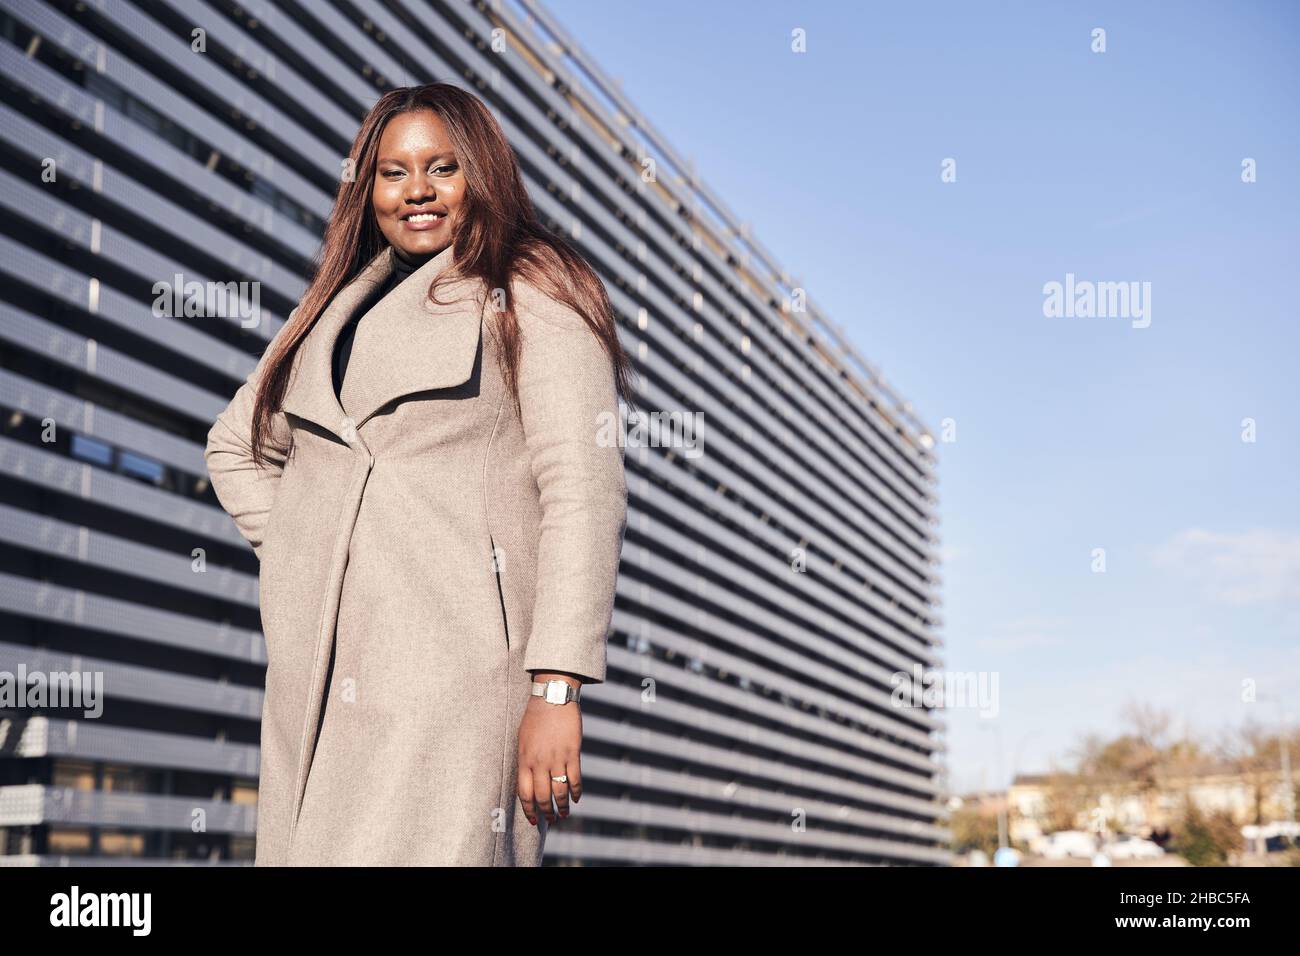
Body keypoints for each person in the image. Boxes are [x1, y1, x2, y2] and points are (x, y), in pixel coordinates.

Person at [204, 82, 636, 865]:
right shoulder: (335, 308)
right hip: (319, 678)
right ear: (365, 188)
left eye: (443, 168)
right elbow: (235, 446)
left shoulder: (529, 286)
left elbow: (583, 488)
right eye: (393, 173)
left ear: (483, 174)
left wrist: (557, 688)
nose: (418, 193)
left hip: (456, 674)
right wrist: (311, 554)